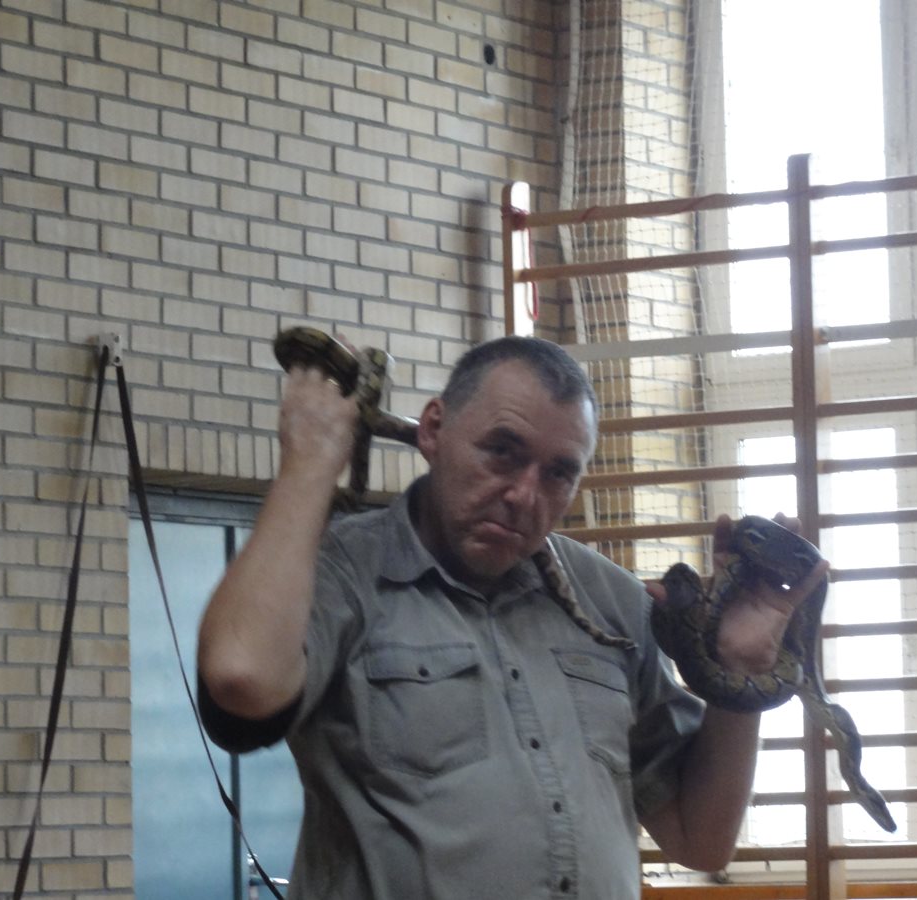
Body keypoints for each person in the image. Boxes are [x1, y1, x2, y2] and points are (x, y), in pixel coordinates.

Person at [196, 335, 828, 900]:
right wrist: (309, 465)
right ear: (434, 430)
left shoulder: (609, 602)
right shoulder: (347, 571)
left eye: (558, 474)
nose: (525, 495)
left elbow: (702, 838)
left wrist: (738, 674)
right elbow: (241, 680)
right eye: (502, 452)